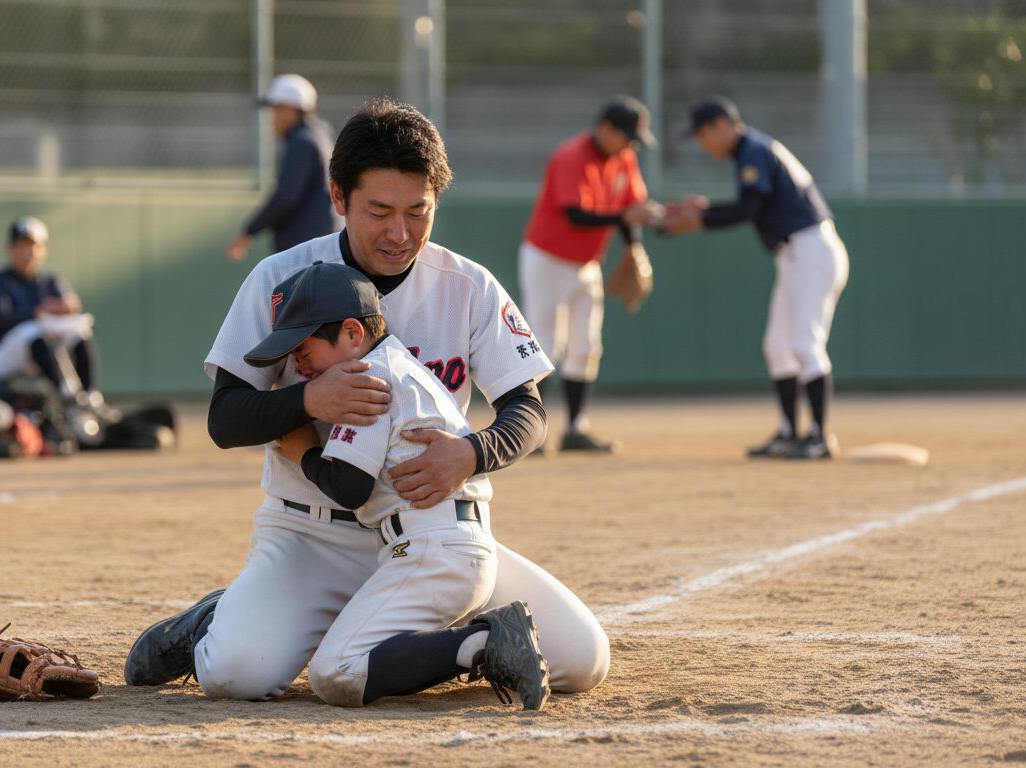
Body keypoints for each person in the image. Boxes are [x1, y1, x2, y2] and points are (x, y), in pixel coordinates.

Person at [125, 98, 610, 704]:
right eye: (379, 210)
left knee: (580, 661)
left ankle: (410, 637)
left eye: (418, 211)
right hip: (313, 536)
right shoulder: (284, 277)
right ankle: (225, 617)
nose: (399, 232)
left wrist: (474, 451)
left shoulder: (468, 284)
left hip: (425, 535)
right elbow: (225, 418)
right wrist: (309, 401)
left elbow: (529, 409)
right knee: (236, 674)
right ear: (338, 196)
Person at [251, 261, 548, 710]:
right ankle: (477, 644)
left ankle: (484, 642)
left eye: (304, 344)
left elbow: (348, 487)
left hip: (432, 550)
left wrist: (303, 452)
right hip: (442, 544)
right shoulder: (395, 364)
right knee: (343, 659)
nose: (296, 359)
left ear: (352, 334)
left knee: (336, 672)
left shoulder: (368, 378)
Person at [648, 96, 849, 460]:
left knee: (805, 344)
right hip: (797, 253)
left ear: (723, 124)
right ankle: (790, 432)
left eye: (705, 134)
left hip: (810, 250)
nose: (704, 144)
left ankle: (819, 437)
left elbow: (749, 209)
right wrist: (705, 209)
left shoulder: (752, 150)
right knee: (777, 346)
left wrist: (698, 220)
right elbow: (751, 204)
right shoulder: (754, 149)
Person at [519, 96, 656, 453]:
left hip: (586, 263)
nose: (631, 144)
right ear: (605, 128)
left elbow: (632, 209)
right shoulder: (572, 155)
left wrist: (633, 246)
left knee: (586, 346)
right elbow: (576, 215)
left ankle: (576, 429)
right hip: (548, 259)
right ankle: (535, 432)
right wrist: (625, 221)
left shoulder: (624, 158)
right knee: (545, 346)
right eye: (626, 135)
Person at [0, 216, 111, 415]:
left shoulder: (50, 281)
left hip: (44, 352)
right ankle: (68, 397)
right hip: (3, 355)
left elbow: (69, 312)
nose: (28, 252)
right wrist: (38, 311)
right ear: (11, 248)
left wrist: (67, 308)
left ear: (44, 249)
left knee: (80, 328)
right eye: (22, 245)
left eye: (34, 246)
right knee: (33, 330)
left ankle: (90, 396)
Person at [227, 74, 338, 262]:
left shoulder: (302, 142)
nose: (271, 117)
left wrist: (249, 231)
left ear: (292, 109)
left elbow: (285, 197)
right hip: (324, 243)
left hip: (305, 250)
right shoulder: (321, 132)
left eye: (276, 109)